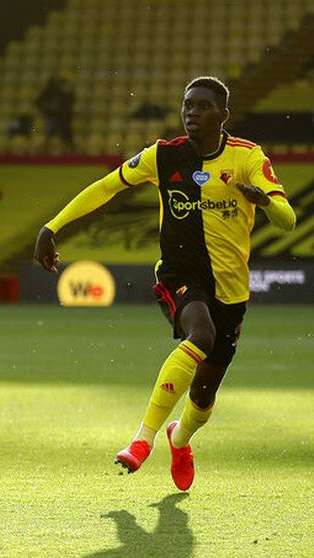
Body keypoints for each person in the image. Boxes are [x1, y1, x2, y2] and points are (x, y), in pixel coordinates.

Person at [34, 76, 297, 490]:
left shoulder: (248, 158)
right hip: (180, 275)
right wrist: (53, 226)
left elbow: (288, 220)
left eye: (203, 107)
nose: (192, 113)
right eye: (187, 106)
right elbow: (106, 187)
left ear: (223, 115)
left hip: (232, 289)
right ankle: (143, 440)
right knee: (201, 333)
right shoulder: (163, 156)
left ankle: (181, 437)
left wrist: (264, 202)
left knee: (204, 396)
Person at [36, 74, 75, 151]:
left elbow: (70, 100)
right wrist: (46, 110)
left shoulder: (62, 92)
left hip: (61, 116)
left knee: (63, 133)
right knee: (52, 131)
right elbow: (38, 102)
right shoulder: (47, 91)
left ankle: (67, 148)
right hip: (52, 116)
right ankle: (46, 148)